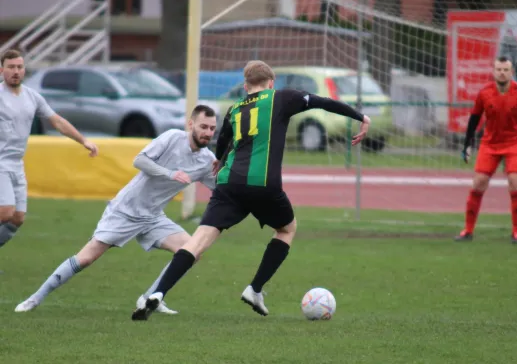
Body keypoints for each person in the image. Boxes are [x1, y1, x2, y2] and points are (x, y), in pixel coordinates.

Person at [131, 60, 371, 321]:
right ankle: (255, 289)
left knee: (197, 242)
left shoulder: (234, 108)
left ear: (245, 86)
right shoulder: (282, 98)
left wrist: (220, 160)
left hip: (228, 184)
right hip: (263, 184)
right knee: (287, 229)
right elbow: (324, 102)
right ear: (271, 82)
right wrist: (361, 117)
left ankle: (159, 293)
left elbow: (223, 138)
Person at [15, 105, 219, 314]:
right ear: (191, 124)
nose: (208, 133)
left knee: (191, 250)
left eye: (212, 129)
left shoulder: (207, 161)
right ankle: (35, 298)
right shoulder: (173, 137)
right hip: (125, 210)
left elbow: (222, 188)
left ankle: (150, 298)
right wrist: (169, 173)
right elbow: (139, 160)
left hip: (154, 216)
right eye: (204, 126)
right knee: (86, 258)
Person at [0, 49, 99, 251]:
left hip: (17, 164)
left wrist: (83, 141)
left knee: (17, 219)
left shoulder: (32, 97)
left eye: (19, 67)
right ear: (2, 70)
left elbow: (58, 122)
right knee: (5, 212)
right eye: (11, 67)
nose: (16, 71)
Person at [456, 56, 517, 244]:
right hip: (490, 143)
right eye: (499, 69)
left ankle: (516, 233)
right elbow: (474, 119)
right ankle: (468, 231)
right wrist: (467, 144)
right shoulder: (484, 93)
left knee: (514, 181)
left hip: (516, 142)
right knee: (478, 182)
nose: (502, 73)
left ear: (512, 72)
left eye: (505, 70)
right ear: (493, 72)